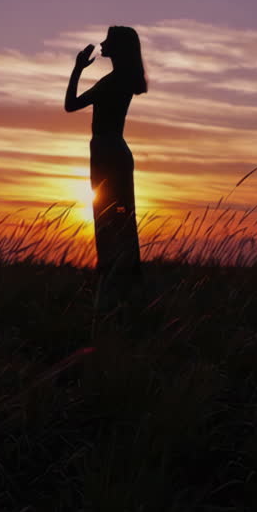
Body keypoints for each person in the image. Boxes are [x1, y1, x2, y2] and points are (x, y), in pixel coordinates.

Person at [65, 25, 147, 307]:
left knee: (108, 218)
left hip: (106, 150)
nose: (102, 43)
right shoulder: (121, 80)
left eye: (108, 41)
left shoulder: (112, 82)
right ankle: (124, 285)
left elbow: (70, 105)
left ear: (119, 48)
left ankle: (112, 289)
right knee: (121, 218)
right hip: (115, 150)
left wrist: (77, 69)